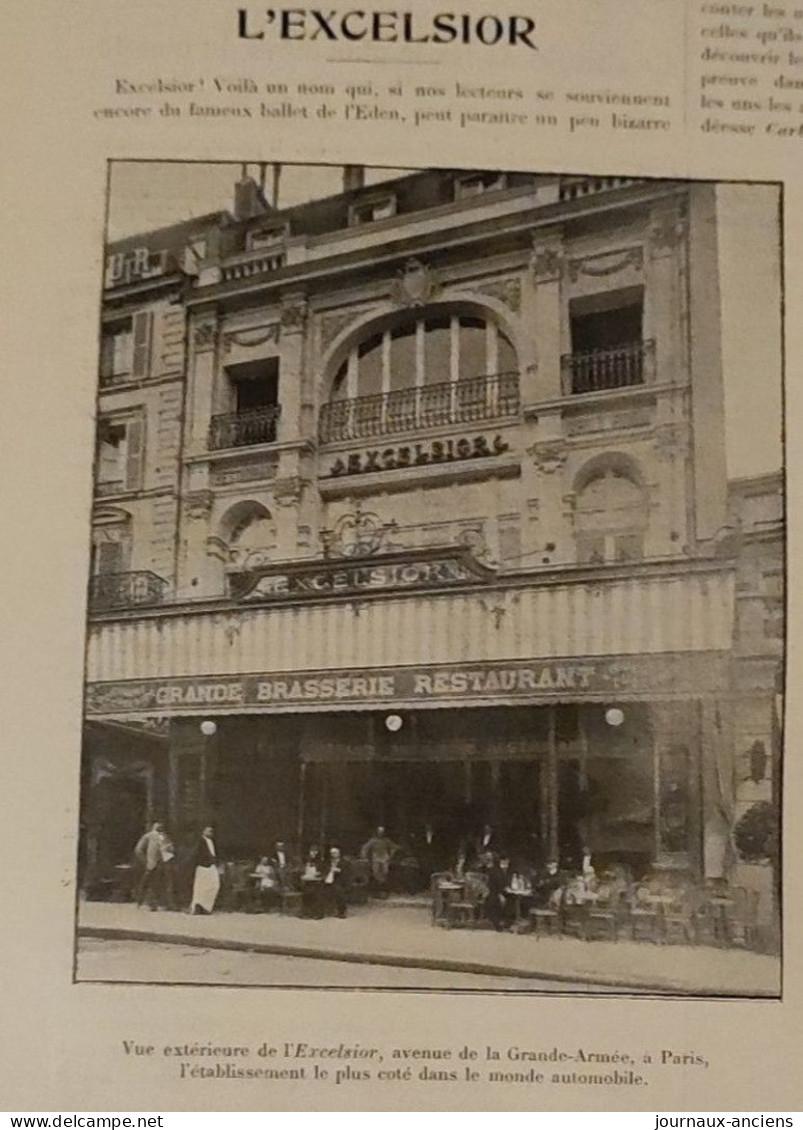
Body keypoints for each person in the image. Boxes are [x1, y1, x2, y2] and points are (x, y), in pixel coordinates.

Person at [133, 822, 166, 910]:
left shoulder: (164, 837)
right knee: (147, 883)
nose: (160, 828)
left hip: (162, 864)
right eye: (158, 826)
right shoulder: (148, 836)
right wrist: (145, 861)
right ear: (153, 827)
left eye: (161, 827)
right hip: (150, 863)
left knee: (159, 883)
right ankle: (142, 902)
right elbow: (139, 850)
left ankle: (157, 903)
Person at [361, 826, 399, 898]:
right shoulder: (373, 840)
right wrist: (364, 856)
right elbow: (365, 848)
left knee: (385, 872)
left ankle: (384, 890)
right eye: (379, 831)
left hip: (384, 857)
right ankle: (377, 890)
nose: (381, 833)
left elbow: (394, 847)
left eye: (382, 831)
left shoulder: (386, 840)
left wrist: (391, 854)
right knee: (376, 873)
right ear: (377, 832)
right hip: (376, 857)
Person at [190, 826, 220, 915]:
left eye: (211, 831)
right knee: (200, 887)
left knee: (214, 885)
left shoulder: (213, 842)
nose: (210, 833)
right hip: (202, 866)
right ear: (203, 832)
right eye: (208, 831)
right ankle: (197, 907)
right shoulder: (199, 841)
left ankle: (206, 907)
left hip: (212, 866)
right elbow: (196, 854)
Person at [322, 846, 348, 918]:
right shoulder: (328, 862)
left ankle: (341, 912)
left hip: (338, 881)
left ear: (339, 853)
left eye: (335, 853)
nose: (333, 854)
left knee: (339, 894)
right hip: (328, 880)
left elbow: (346, 872)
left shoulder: (343, 862)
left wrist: (338, 870)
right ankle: (328, 910)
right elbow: (324, 869)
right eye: (332, 853)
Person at [300, 845, 324, 918]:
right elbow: (302, 870)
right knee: (306, 894)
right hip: (307, 881)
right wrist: (303, 874)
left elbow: (323, 871)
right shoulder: (305, 860)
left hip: (317, 882)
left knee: (316, 895)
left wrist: (318, 873)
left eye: (315, 851)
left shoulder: (320, 861)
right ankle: (307, 913)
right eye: (312, 851)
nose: (313, 853)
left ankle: (317, 913)